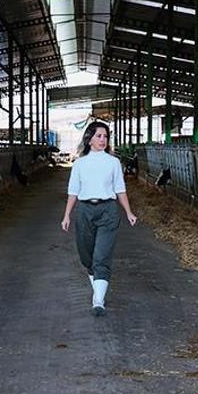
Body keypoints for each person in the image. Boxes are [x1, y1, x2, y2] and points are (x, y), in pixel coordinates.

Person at [61, 122, 137, 316]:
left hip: (108, 210)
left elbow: (120, 189)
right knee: (86, 256)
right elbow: (73, 191)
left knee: (101, 256)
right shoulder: (79, 164)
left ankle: (98, 300)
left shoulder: (113, 162)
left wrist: (128, 212)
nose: (103, 140)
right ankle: (97, 288)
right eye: (99, 136)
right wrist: (67, 215)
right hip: (85, 210)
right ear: (89, 139)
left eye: (106, 136)